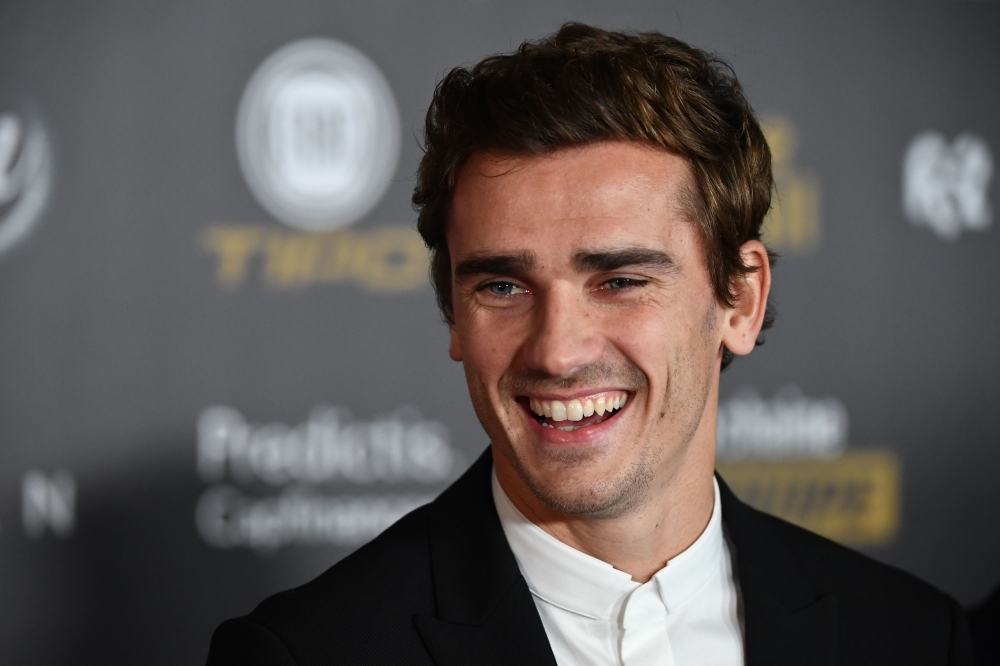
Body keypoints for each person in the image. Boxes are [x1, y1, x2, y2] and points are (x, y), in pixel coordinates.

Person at [206, 23, 974, 665]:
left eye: (620, 280)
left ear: (739, 297)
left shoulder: (910, 637)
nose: (558, 353)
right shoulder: (307, 654)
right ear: (452, 315)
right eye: (502, 287)